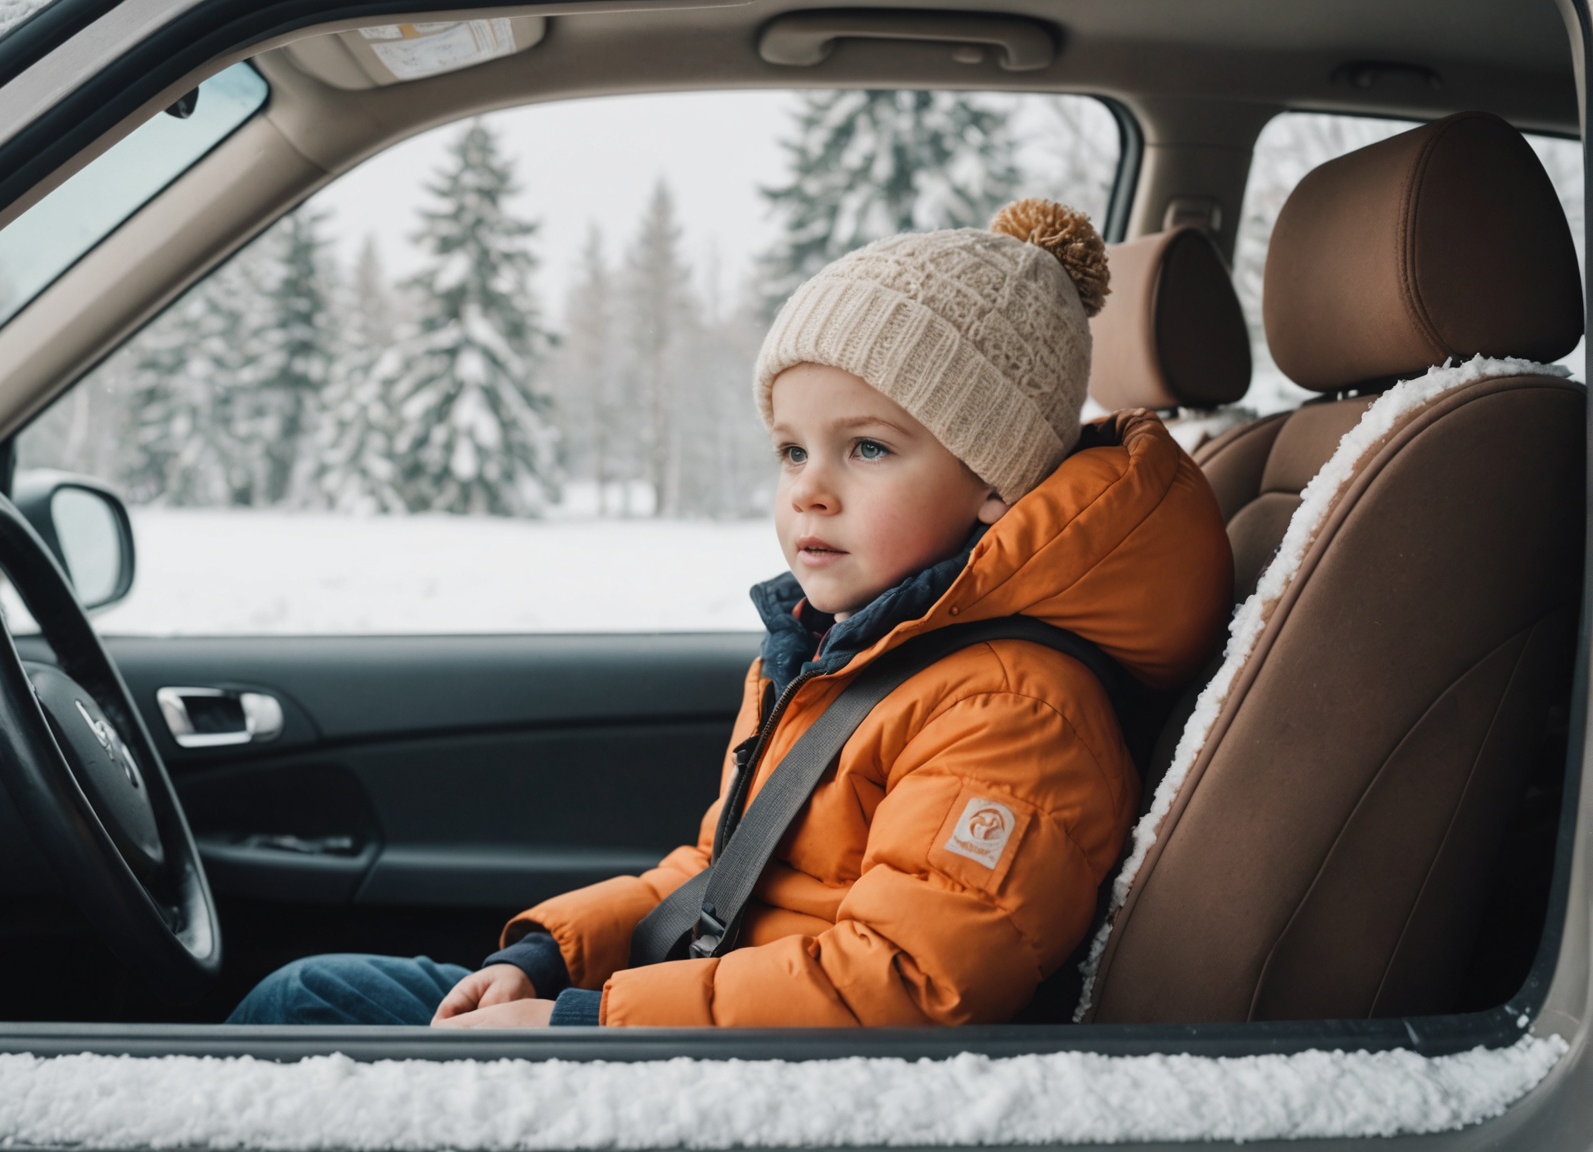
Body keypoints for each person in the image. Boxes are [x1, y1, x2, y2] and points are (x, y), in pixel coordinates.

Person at [228, 199, 1232, 1029]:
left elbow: (909, 987)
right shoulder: (844, 651)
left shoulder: (1012, 709)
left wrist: (587, 1026)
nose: (810, 491)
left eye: (867, 449)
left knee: (301, 1017)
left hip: (762, 1083)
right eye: (792, 451)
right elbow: (723, 874)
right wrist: (545, 959)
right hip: (712, 1025)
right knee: (311, 999)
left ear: (994, 482)